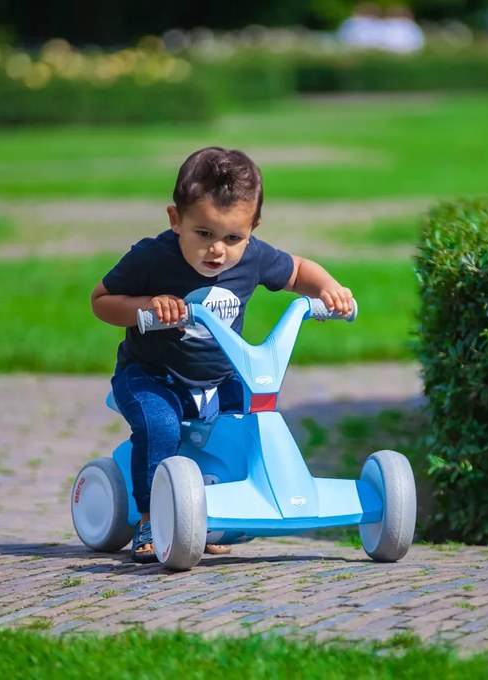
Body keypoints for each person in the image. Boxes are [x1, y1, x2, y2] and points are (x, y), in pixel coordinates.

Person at [91, 147, 354, 563]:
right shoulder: (152, 257)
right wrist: (147, 306)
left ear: (252, 228)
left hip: (222, 376)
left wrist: (329, 290)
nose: (218, 250)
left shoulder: (251, 257)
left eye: (233, 237)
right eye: (204, 234)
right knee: (160, 426)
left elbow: (299, 269)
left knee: (252, 424)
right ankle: (150, 518)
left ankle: (218, 511)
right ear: (176, 220)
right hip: (152, 374)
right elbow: (102, 301)